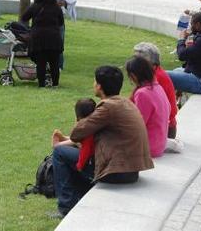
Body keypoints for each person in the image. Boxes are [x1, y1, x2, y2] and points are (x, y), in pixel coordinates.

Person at [52, 66, 154, 217]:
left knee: (60, 152)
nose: (93, 84)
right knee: (76, 154)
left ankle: (66, 207)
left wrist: (79, 120)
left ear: (99, 86)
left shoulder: (107, 108)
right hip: (132, 169)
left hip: (117, 172)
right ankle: (79, 196)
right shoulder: (125, 103)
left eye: (95, 81)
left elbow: (77, 133)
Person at [167, 13, 201, 95]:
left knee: (164, 75)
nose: (190, 27)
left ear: (198, 24)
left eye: (191, 24)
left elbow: (182, 55)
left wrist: (181, 39)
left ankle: (165, 104)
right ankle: (175, 101)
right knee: (176, 70)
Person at [126, 56, 170, 158]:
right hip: (159, 144)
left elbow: (138, 125)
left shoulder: (143, 93)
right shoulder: (157, 87)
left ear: (133, 76)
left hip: (149, 148)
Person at [133, 42, 178, 139]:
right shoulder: (149, 76)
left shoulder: (156, 78)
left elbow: (171, 111)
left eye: (137, 61)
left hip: (162, 132)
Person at [21, 0, 64, 88]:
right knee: (54, 63)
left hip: (38, 38)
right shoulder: (56, 8)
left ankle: (41, 85)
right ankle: (55, 85)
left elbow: (24, 17)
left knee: (41, 63)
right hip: (54, 38)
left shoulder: (34, 6)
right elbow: (61, 22)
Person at [52, 98, 97, 171]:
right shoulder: (97, 123)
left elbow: (85, 150)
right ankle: (63, 141)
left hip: (92, 163)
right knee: (76, 142)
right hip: (98, 158)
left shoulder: (88, 133)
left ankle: (58, 144)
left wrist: (79, 166)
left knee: (58, 151)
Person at [48, 0, 68, 70]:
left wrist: (64, 4)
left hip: (59, 22)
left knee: (60, 44)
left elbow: (67, 3)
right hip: (48, 22)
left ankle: (59, 65)